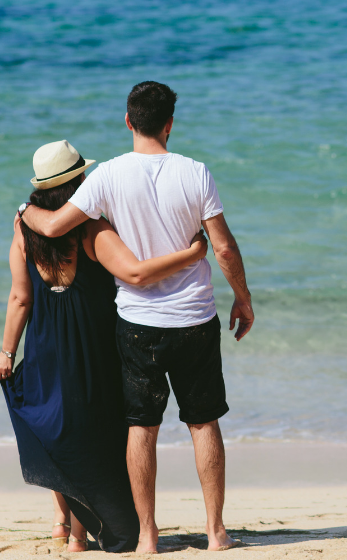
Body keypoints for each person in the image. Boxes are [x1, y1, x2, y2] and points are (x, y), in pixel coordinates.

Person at [20, 81, 253, 553]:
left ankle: (148, 536)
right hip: (194, 318)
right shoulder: (195, 172)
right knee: (204, 423)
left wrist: (25, 209)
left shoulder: (106, 176)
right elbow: (223, 247)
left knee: (140, 427)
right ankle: (216, 532)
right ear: (170, 124)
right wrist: (243, 298)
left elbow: (51, 226)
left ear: (128, 121)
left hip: (138, 324)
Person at [0, 139, 210, 552]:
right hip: (92, 348)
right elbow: (135, 273)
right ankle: (77, 534)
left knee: (55, 428)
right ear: (78, 181)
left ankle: (63, 523)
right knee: (93, 431)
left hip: (43, 344)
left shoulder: (24, 227)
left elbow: (20, 297)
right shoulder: (91, 227)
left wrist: (7, 352)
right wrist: (191, 253)